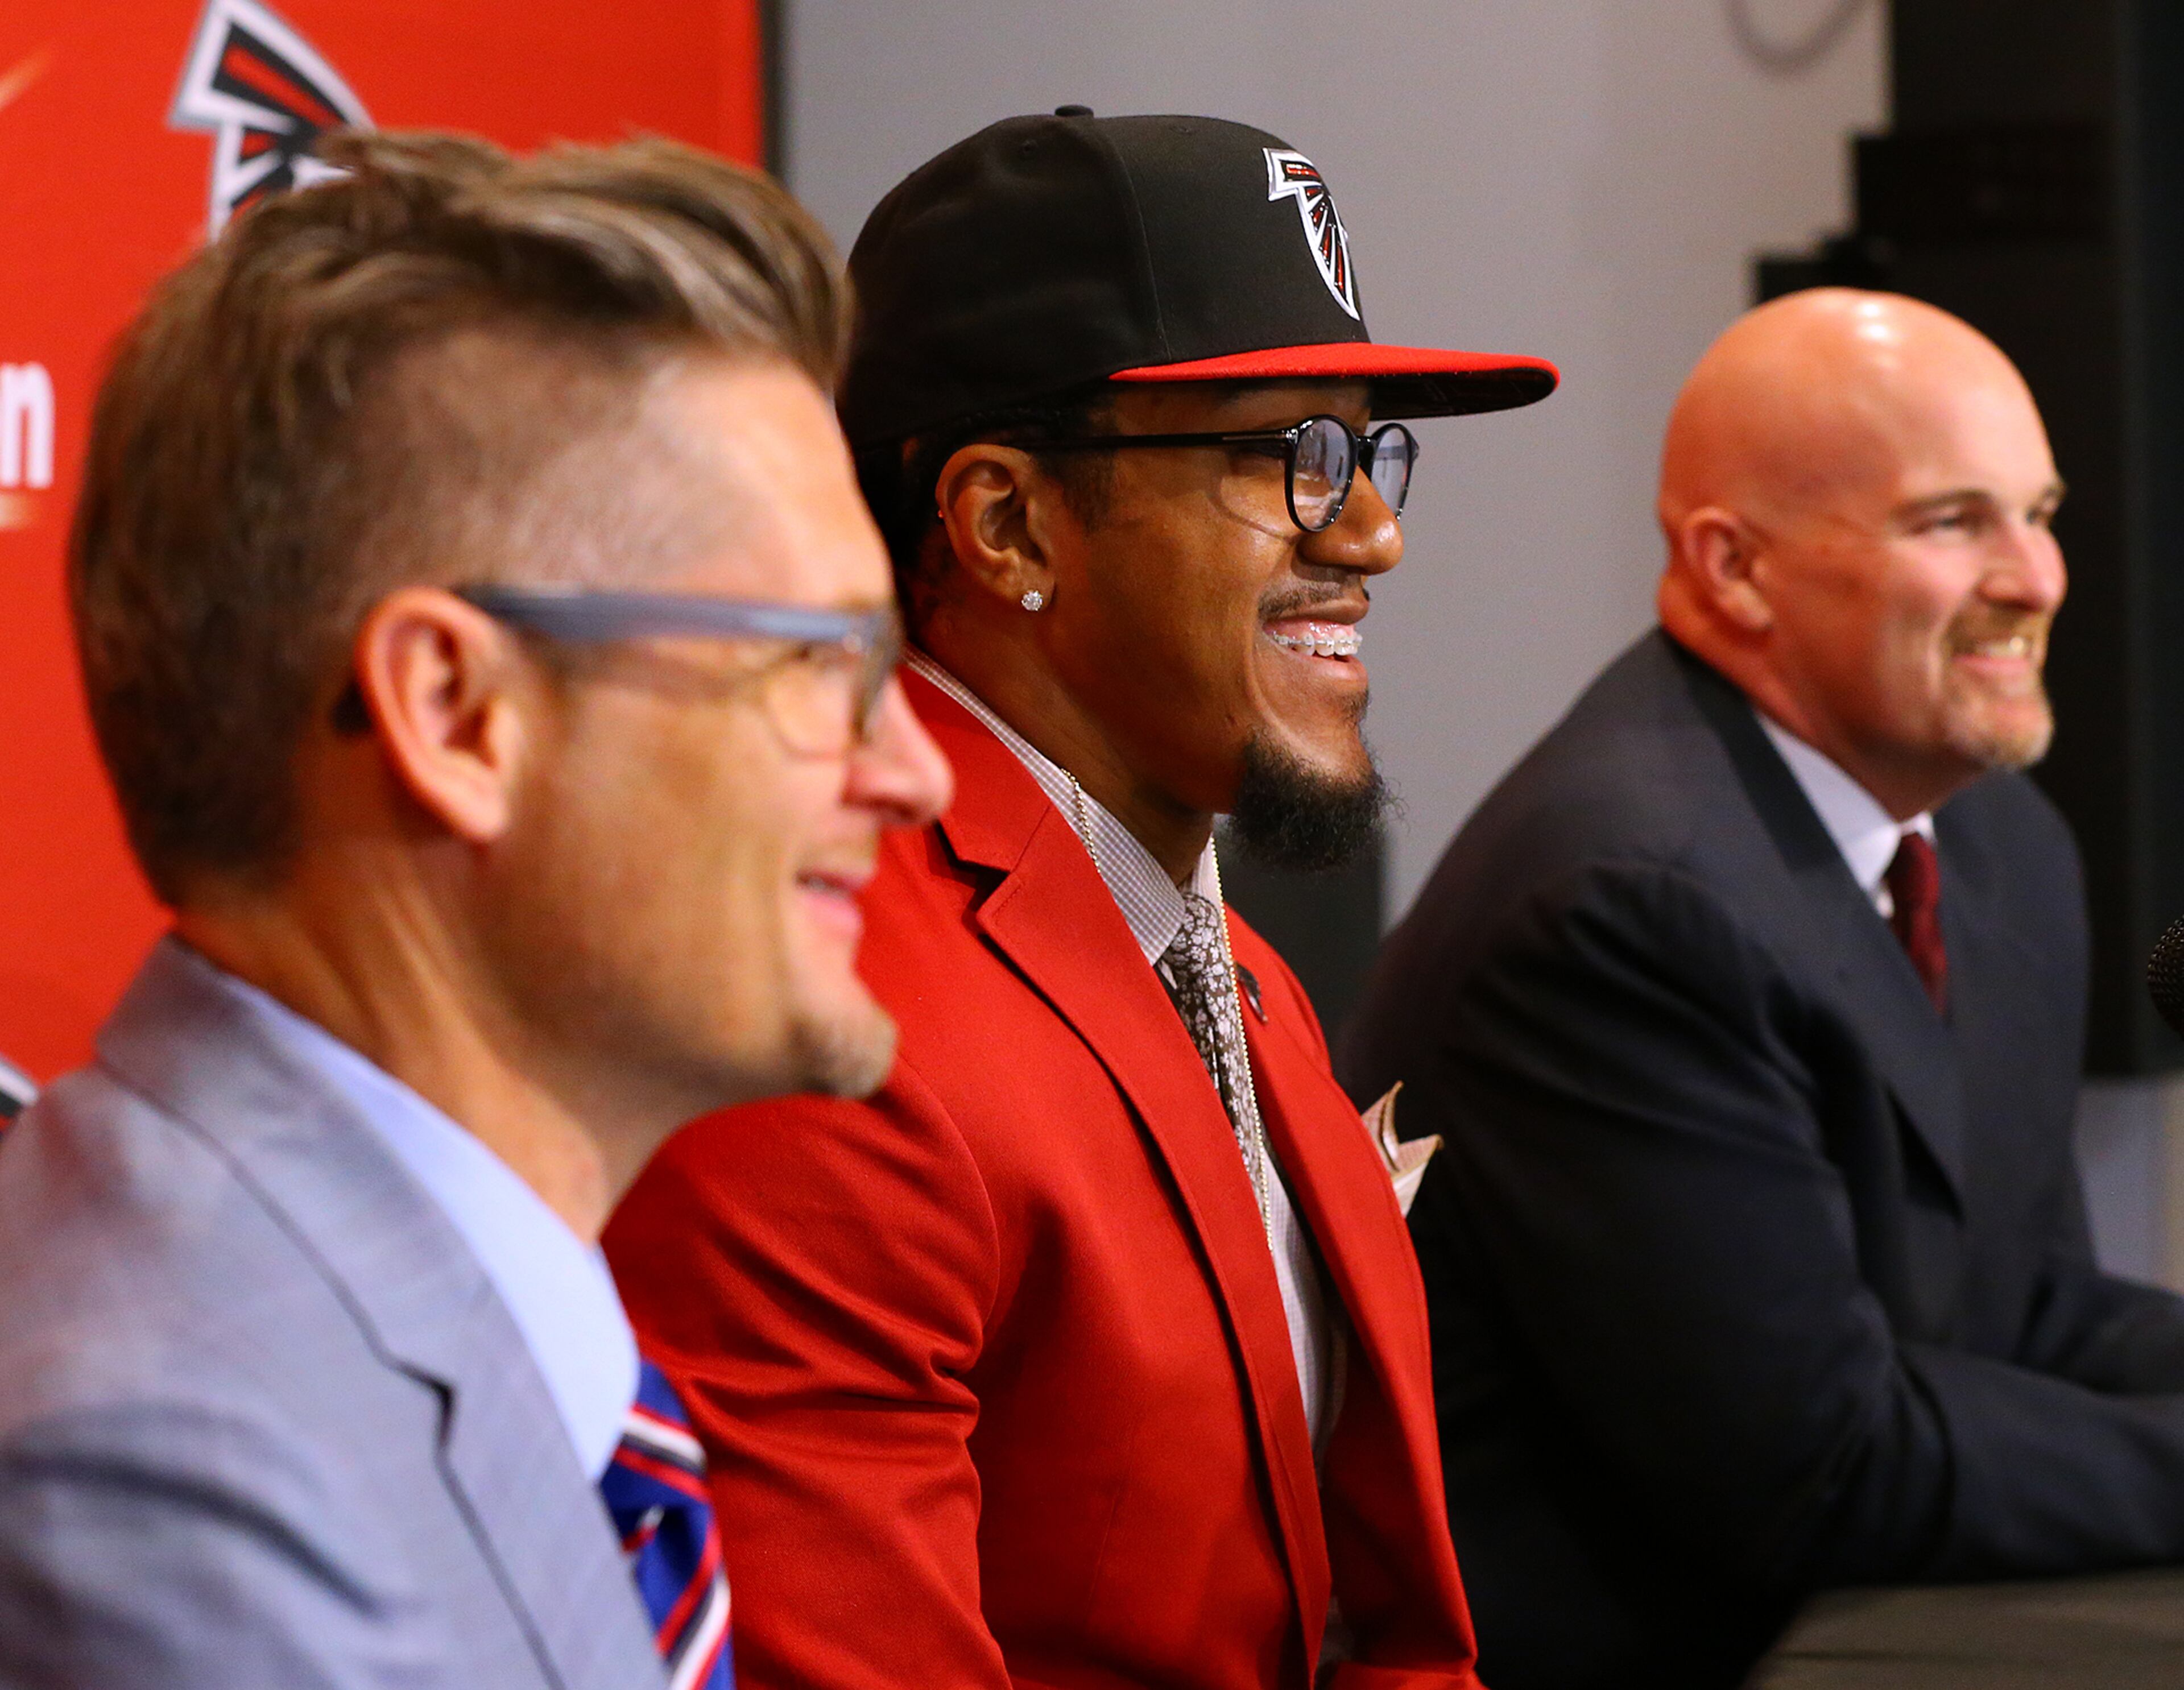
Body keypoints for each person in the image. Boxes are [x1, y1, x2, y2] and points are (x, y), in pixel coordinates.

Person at [604, 109, 1557, 1690]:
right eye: (1288, 458)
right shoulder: (819, 1026)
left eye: (1370, 450)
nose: (1375, 531)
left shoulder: (1232, 960)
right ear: (1008, 523)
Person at [0, 130, 949, 1688]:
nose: (910, 769)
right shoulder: (164, 1472)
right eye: (819, 665)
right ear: (457, 714)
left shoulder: (398, 1332)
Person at [1340, 287, 2184, 1690]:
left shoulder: (1991, 837)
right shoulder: (1631, 897)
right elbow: (1811, 1466)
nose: (2037, 576)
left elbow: (2021, 1301)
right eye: (1952, 522)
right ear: (1733, 567)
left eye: (2038, 513)